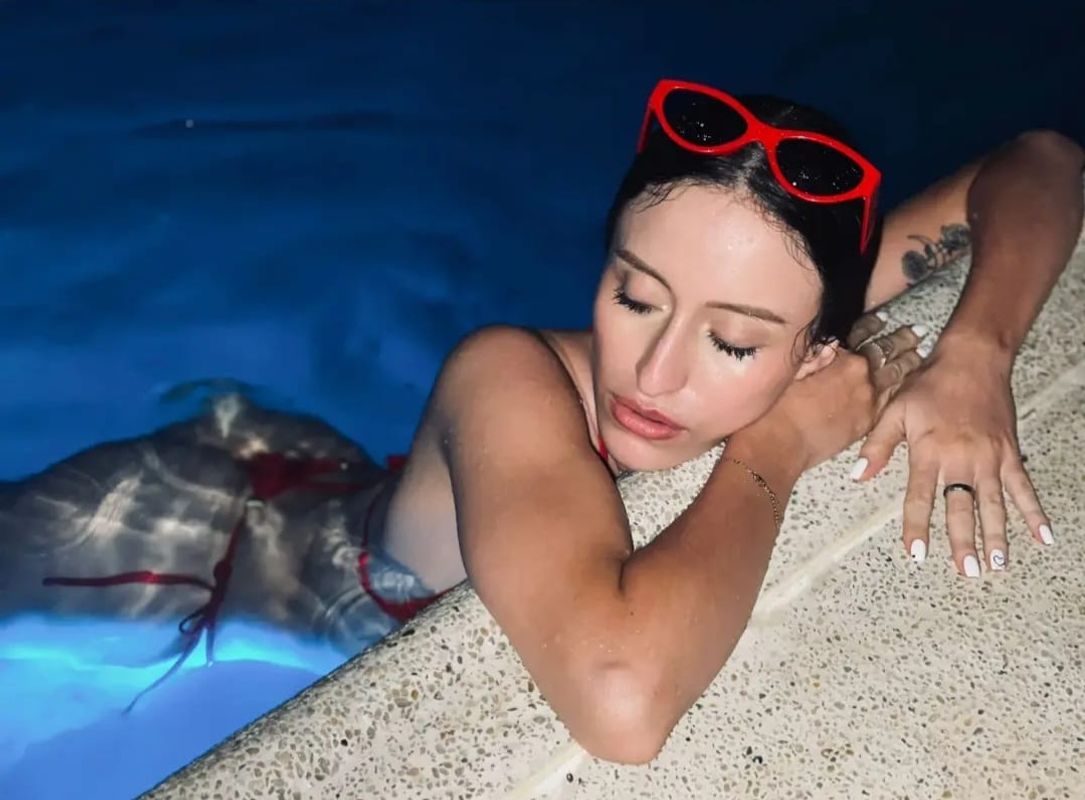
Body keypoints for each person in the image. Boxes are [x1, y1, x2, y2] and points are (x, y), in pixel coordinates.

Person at [2, 79, 1082, 760]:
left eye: (731, 342)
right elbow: (620, 700)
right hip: (210, 555)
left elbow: (1044, 162)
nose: (652, 372)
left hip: (334, 487)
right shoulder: (507, 374)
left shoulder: (805, 309)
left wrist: (974, 356)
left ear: (815, 348)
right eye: (635, 295)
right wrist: (775, 443)